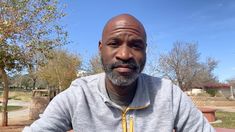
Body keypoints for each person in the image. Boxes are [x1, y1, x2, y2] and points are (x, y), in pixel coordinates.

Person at [23, 14, 215, 132]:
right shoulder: (78, 96)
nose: (124, 54)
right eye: (114, 44)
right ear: (101, 48)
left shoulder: (169, 95)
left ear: (145, 51)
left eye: (136, 45)